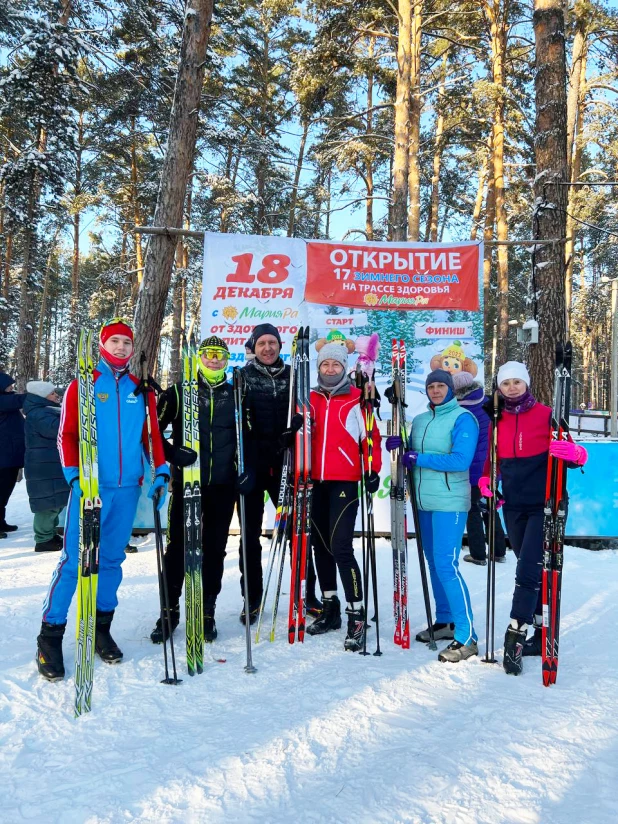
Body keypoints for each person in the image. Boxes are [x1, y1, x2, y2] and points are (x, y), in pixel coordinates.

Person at [36, 320, 168, 681]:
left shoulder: (141, 390)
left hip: (127, 490)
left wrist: (162, 472)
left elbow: (152, 436)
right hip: (90, 489)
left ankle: (100, 627)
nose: (123, 347)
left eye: (128, 341)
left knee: (111, 560)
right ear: (102, 344)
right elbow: (66, 435)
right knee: (74, 561)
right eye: (116, 341)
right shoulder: (83, 385)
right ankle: (50, 635)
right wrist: (74, 477)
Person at [479, 361, 588, 675]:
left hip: (546, 504)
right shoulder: (495, 419)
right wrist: (488, 481)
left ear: (526, 383)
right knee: (529, 566)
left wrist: (575, 454)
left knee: (527, 569)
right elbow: (491, 460)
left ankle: (516, 631)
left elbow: (575, 453)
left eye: (517, 382)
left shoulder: (547, 414)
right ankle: (540, 632)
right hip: (513, 505)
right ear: (499, 387)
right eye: (506, 383)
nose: (512, 387)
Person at [386, 369, 480, 663]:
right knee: (433, 562)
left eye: (441, 386)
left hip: (450, 501)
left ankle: (467, 635)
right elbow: (410, 455)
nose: (436, 390)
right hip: (423, 502)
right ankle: (445, 621)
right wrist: (398, 448)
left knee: (446, 564)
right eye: (432, 386)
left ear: (451, 389)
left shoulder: (464, 418)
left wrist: (419, 458)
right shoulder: (422, 420)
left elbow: (461, 459)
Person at [150, 336, 237, 644]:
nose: (214, 359)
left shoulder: (235, 394)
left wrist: (245, 469)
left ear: (226, 359)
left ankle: (207, 611)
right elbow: (152, 432)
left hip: (223, 487)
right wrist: (173, 455)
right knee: (177, 551)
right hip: (187, 485)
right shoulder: (178, 392)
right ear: (199, 357)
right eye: (208, 354)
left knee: (214, 550)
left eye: (219, 354)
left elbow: (247, 436)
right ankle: (169, 610)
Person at [240, 323, 319, 624]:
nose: (268, 348)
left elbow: (307, 412)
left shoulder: (293, 377)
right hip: (253, 467)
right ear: (253, 346)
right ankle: (253, 599)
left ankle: (306, 594)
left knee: (297, 533)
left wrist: (298, 426)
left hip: (286, 466)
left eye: (273, 342)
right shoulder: (242, 377)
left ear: (280, 345)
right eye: (262, 343)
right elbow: (238, 423)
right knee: (249, 535)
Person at [306, 343, 381, 651]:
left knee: (340, 547)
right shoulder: (307, 399)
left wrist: (372, 468)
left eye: (336, 365)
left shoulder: (356, 398)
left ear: (344, 367)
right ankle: (330, 606)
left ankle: (356, 612)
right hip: (314, 482)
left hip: (345, 481)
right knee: (320, 546)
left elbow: (371, 437)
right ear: (319, 367)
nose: (330, 369)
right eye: (326, 365)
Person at [453, 373, 507, 566]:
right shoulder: (487, 403)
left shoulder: (460, 410)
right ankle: (499, 551)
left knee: (472, 509)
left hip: (471, 470)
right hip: (492, 467)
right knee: (490, 508)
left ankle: (478, 554)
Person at [23, 381, 69, 552]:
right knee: (47, 505)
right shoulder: (39, 414)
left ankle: (49, 534)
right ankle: (43, 540)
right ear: (41, 397)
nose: (56, 396)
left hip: (48, 463)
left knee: (55, 501)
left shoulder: (46, 411)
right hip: (43, 466)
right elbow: (56, 429)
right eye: (52, 394)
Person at [0, 371, 26, 537]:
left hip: (9, 457)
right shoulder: (3, 401)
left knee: (5, 491)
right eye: (9, 386)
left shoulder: (6, 399)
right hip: (3, 457)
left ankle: (1, 522)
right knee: (1, 491)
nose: (12, 388)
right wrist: (40, 392)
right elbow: (20, 400)